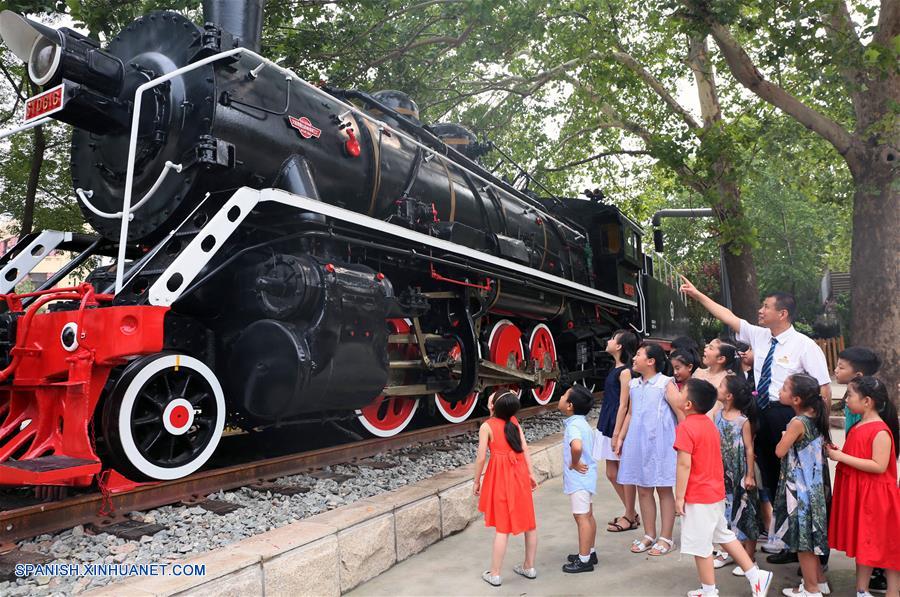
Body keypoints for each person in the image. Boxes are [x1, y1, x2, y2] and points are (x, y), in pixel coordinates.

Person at [679, 277, 831, 558]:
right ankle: (786, 542)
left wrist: (820, 432)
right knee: (773, 480)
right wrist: (698, 294)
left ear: (782, 313)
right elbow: (727, 316)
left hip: (791, 418)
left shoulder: (804, 345)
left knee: (799, 483)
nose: (760, 311)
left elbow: (823, 389)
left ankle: (815, 553)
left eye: (765, 307)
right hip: (762, 415)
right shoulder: (760, 337)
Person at [674, 378, 774, 597]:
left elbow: (684, 464)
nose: (678, 393)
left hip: (698, 494)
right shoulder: (708, 423)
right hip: (715, 492)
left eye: (682, 392)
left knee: (701, 545)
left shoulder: (686, 427)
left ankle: (710, 591)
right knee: (723, 535)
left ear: (688, 404)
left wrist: (679, 497)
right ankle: (755, 576)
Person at [826, 376, 900, 597]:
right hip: (864, 494)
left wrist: (841, 457)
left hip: (877, 498)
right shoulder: (860, 425)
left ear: (867, 401)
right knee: (864, 545)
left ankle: (893, 592)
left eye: (850, 395)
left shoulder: (880, 430)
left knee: (887, 546)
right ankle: (861, 589)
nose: (846, 399)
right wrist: (841, 453)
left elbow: (878, 466)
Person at [616, 343, 683, 556]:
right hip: (638, 441)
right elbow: (630, 413)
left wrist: (685, 441)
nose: (634, 358)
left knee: (663, 488)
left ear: (651, 361)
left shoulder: (665, 384)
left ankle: (666, 537)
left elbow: (680, 413)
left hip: (661, 443)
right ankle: (649, 534)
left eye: (638, 355)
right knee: (643, 489)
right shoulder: (634, 385)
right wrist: (620, 438)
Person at [831, 348, 886, 594]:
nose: (835, 370)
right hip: (857, 476)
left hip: (870, 484)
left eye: (841, 367)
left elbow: (878, 462)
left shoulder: (875, 422)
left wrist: (842, 456)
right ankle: (867, 581)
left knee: (873, 532)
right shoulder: (855, 406)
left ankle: (879, 574)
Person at [773, 374, 831, 597]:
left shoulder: (797, 423)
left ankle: (811, 589)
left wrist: (784, 437)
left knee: (804, 543)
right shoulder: (816, 416)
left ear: (796, 399)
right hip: (814, 489)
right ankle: (819, 581)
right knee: (811, 538)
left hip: (801, 489)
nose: (780, 391)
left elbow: (780, 451)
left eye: (785, 388)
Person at [473, 391, 538, 586]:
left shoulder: (487, 426)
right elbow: (524, 448)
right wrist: (531, 473)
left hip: (500, 476)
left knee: (502, 527)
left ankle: (495, 574)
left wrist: (476, 481)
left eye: (491, 398)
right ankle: (529, 567)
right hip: (519, 471)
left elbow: (481, 457)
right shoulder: (514, 422)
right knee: (529, 522)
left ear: (492, 406)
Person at [713, 375, 760, 574]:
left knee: (746, 512)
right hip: (723, 473)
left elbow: (749, 449)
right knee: (726, 512)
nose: (718, 387)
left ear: (729, 396)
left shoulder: (743, 421)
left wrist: (750, 475)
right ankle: (729, 551)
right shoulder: (718, 415)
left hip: (740, 472)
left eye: (722, 385)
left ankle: (750, 558)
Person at [596, 330, 640, 533]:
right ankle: (630, 512)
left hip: (616, 424)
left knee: (623, 473)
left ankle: (630, 516)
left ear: (620, 346)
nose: (608, 340)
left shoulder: (625, 371)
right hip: (608, 422)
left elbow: (624, 405)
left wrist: (617, 433)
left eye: (612, 338)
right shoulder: (617, 368)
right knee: (612, 473)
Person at [558, 385, 599, 573]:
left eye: (564, 395)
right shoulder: (582, 423)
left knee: (581, 517)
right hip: (587, 477)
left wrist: (574, 463)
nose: (561, 396)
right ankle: (590, 552)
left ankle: (584, 561)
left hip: (579, 478)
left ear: (570, 406)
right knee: (588, 515)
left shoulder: (573, 426)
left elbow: (576, 447)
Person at [833, 347, 881, 433]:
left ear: (858, 375)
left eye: (841, 367)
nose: (836, 370)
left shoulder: (861, 403)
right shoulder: (852, 398)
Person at [693, 339, 742, 420]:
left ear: (721, 359)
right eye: (707, 346)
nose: (705, 349)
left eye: (710, 348)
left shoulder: (728, 379)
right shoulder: (698, 373)